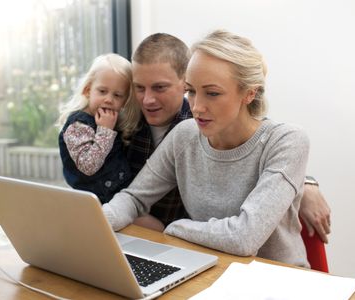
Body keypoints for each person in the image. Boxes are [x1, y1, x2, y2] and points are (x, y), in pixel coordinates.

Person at [103, 30, 311, 267]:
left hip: (280, 283)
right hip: (209, 272)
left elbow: (244, 238)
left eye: (212, 93)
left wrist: (176, 228)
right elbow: (133, 198)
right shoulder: (185, 134)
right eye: (191, 91)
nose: (197, 107)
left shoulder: (287, 140)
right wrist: (94, 221)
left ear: (249, 93)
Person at [57, 53, 141, 204]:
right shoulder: (78, 125)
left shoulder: (113, 119)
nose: (109, 99)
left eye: (117, 95)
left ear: (125, 101)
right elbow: (88, 165)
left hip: (121, 195)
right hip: (96, 201)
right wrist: (105, 131)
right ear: (88, 90)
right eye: (102, 91)